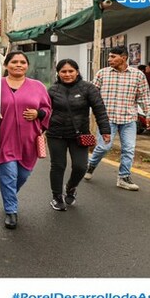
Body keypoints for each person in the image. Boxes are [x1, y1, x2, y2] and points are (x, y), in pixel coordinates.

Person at [84, 46, 150, 191]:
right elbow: (91, 94)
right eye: (109, 56)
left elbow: (144, 97)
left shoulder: (138, 75)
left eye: (113, 56)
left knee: (129, 149)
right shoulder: (102, 73)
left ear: (124, 57)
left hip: (128, 118)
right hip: (107, 119)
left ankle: (123, 177)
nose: (109, 59)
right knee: (104, 147)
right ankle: (90, 166)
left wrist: (148, 115)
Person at [46, 59, 111, 211]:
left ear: (77, 71)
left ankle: (71, 187)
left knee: (81, 167)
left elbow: (99, 109)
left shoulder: (88, 88)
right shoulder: (52, 90)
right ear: (58, 73)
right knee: (58, 166)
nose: (67, 74)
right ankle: (56, 197)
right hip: (56, 134)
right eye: (63, 71)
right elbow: (45, 110)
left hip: (79, 135)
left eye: (70, 71)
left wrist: (105, 130)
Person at [0, 51, 51, 229]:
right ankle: (11, 211)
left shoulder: (38, 86)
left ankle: (9, 194)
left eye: (22, 62)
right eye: (14, 62)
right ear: (6, 65)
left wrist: (39, 113)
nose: (18, 65)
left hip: (29, 140)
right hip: (4, 140)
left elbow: (47, 109)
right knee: (9, 175)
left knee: (22, 175)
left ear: (27, 65)